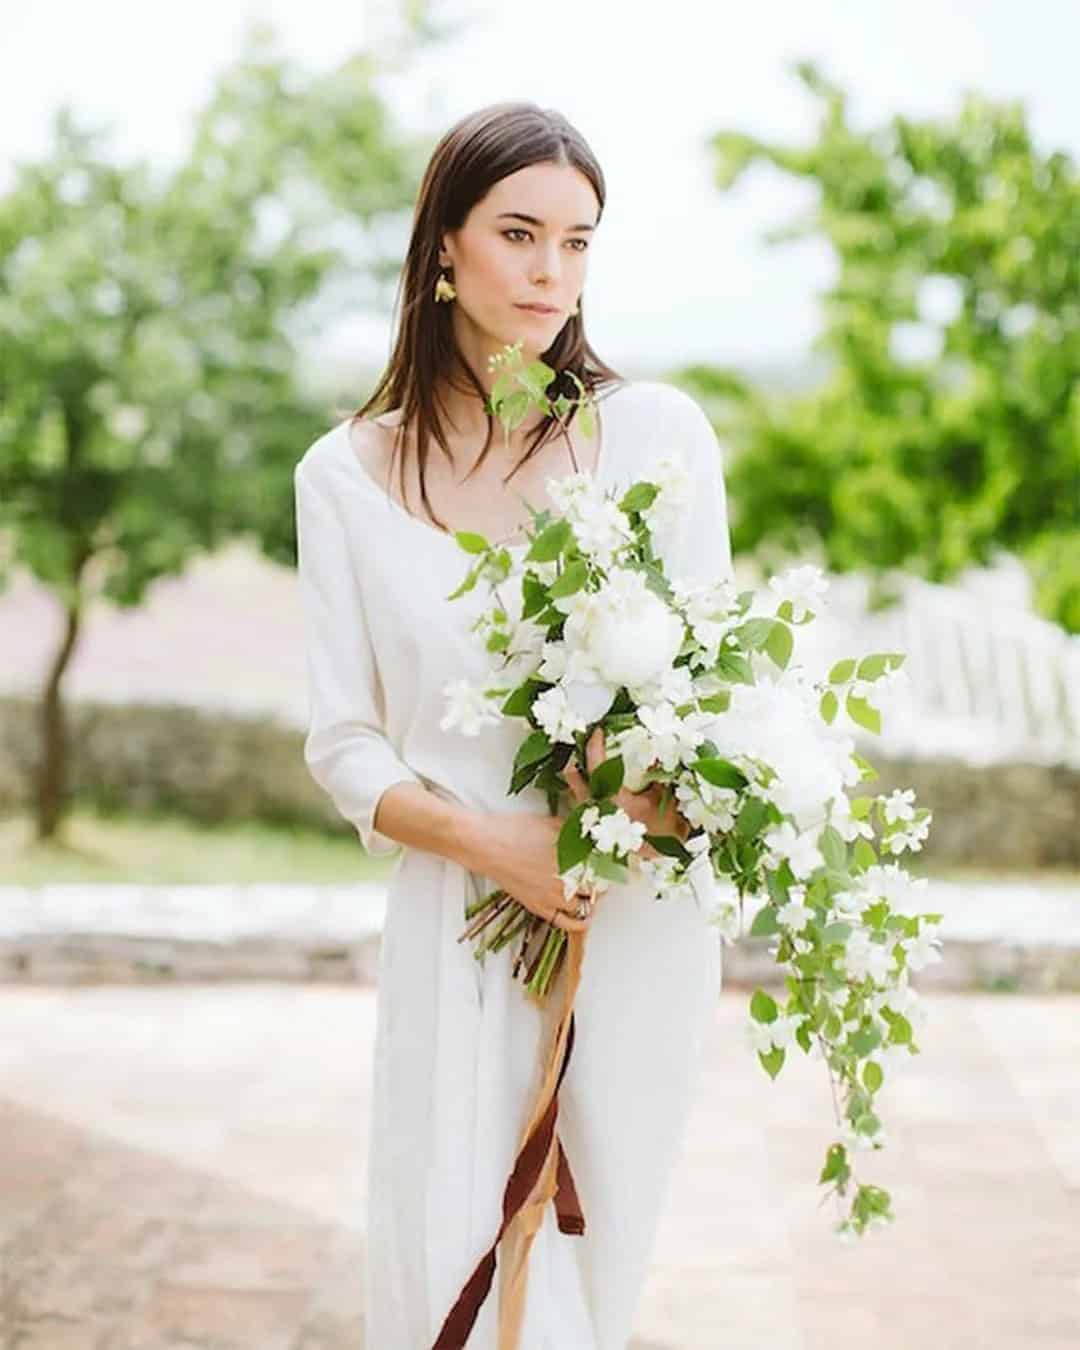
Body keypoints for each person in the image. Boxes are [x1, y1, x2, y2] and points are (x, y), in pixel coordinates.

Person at [293, 100, 734, 1350]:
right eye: (521, 235)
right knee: (446, 1250)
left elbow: (712, 701)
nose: (553, 273)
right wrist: (499, 848)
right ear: (444, 247)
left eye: (580, 242)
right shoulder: (341, 476)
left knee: (594, 1270)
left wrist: (619, 823)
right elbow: (343, 742)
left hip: (630, 928)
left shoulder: (651, 438)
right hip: (457, 923)